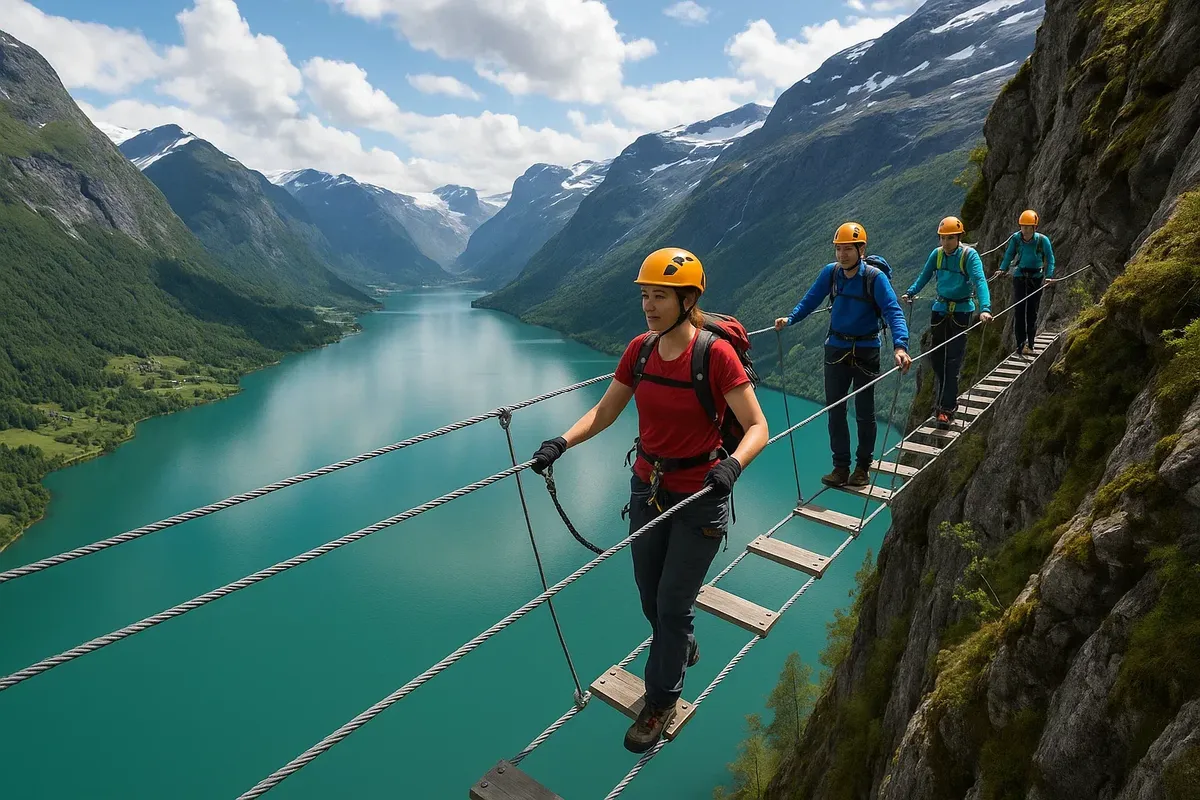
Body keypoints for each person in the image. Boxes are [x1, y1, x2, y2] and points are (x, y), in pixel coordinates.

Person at [529, 247, 769, 754]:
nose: (648, 305)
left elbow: (756, 426)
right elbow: (604, 411)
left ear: (687, 299)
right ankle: (678, 645)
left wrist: (732, 465)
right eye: (644, 295)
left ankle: (659, 700)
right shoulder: (639, 351)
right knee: (649, 596)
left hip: (701, 496)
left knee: (672, 606)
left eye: (659, 296)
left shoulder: (713, 355)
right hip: (648, 490)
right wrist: (561, 443)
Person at [774, 222, 911, 488]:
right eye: (838, 249)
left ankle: (862, 467)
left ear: (861, 249)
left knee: (864, 412)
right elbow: (810, 300)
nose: (842, 254)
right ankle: (840, 467)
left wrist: (900, 346)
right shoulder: (831, 273)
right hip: (836, 347)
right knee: (835, 411)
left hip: (866, 349)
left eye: (848, 249)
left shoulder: (874, 278)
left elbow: (893, 311)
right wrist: (790, 319)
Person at [902, 216, 993, 429]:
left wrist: (985, 309)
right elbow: (924, 276)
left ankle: (946, 409)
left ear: (959, 237)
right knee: (937, 360)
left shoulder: (969, 256)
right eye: (942, 238)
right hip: (940, 311)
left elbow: (980, 281)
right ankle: (946, 401)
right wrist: (911, 292)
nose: (945, 243)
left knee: (952, 363)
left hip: (961, 313)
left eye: (950, 238)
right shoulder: (938, 255)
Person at [997, 208, 1057, 356]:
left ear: (1034, 227)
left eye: (1027, 227)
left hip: (1036, 278)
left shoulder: (1042, 240)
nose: (1024, 230)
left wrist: (1049, 276)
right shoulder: (1016, 239)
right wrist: (1002, 268)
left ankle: (1030, 344)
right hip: (1020, 277)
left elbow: (1050, 259)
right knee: (1019, 311)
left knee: (1031, 312)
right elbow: (1009, 254)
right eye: (1023, 227)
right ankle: (1020, 345)